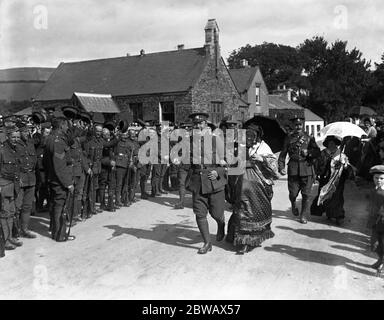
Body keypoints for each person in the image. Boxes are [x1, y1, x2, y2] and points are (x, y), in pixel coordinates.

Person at [226, 124, 277, 254]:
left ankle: (248, 241)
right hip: (240, 182)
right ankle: (239, 238)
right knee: (242, 209)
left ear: (257, 136)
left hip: (258, 184)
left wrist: (262, 159)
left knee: (253, 211)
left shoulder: (263, 147)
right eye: (247, 134)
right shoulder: (238, 145)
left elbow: (273, 164)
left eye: (252, 135)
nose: (249, 137)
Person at [186, 112, 227, 254]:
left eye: (200, 123)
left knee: (216, 213)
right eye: (195, 124)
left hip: (213, 180)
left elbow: (227, 162)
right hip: (197, 180)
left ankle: (221, 224)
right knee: (199, 214)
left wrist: (219, 172)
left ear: (206, 124)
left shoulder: (216, 140)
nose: (197, 126)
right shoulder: (189, 140)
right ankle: (207, 242)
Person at [278, 116, 320, 224]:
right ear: (293, 126)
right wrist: (281, 167)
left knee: (306, 194)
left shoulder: (309, 137)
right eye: (296, 125)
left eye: (300, 124)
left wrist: (309, 153)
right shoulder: (288, 138)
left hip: (307, 168)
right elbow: (283, 154)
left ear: (303, 125)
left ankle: (303, 215)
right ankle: (293, 204)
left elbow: (317, 152)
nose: (298, 127)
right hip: (293, 169)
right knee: (293, 193)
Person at [310, 135, 353, 225]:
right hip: (325, 179)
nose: (331, 145)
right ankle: (329, 212)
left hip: (338, 179)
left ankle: (339, 216)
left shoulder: (341, 154)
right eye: (329, 143)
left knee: (337, 197)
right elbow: (318, 165)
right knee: (325, 196)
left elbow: (347, 167)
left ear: (336, 144)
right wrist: (327, 162)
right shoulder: (323, 153)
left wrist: (343, 164)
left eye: (333, 143)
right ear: (327, 144)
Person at [45, 117, 74, 241]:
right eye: (66, 125)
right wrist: (68, 184)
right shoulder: (58, 142)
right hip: (59, 181)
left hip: (53, 178)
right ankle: (59, 234)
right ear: (61, 126)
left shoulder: (50, 138)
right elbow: (59, 166)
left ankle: (56, 231)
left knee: (55, 205)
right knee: (60, 207)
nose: (67, 128)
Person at [0, 124, 23, 250]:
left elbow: (16, 168)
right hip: (3, 186)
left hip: (13, 186)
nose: (16, 139)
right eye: (13, 137)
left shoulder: (15, 149)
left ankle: (9, 237)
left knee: (11, 213)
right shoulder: (2, 150)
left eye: (18, 137)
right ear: (7, 136)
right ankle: (5, 240)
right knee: (4, 213)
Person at [15, 122, 38, 238]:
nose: (26, 133)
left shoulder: (30, 143)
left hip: (31, 178)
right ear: (18, 132)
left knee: (27, 206)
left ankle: (24, 229)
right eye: (24, 131)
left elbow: (34, 160)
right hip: (20, 179)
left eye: (27, 131)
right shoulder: (15, 144)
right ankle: (15, 231)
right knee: (17, 207)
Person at [366, 165, 384, 275]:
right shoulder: (374, 190)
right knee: (374, 244)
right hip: (375, 221)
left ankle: (382, 264)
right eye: (376, 178)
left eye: (382, 178)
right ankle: (380, 259)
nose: (378, 181)